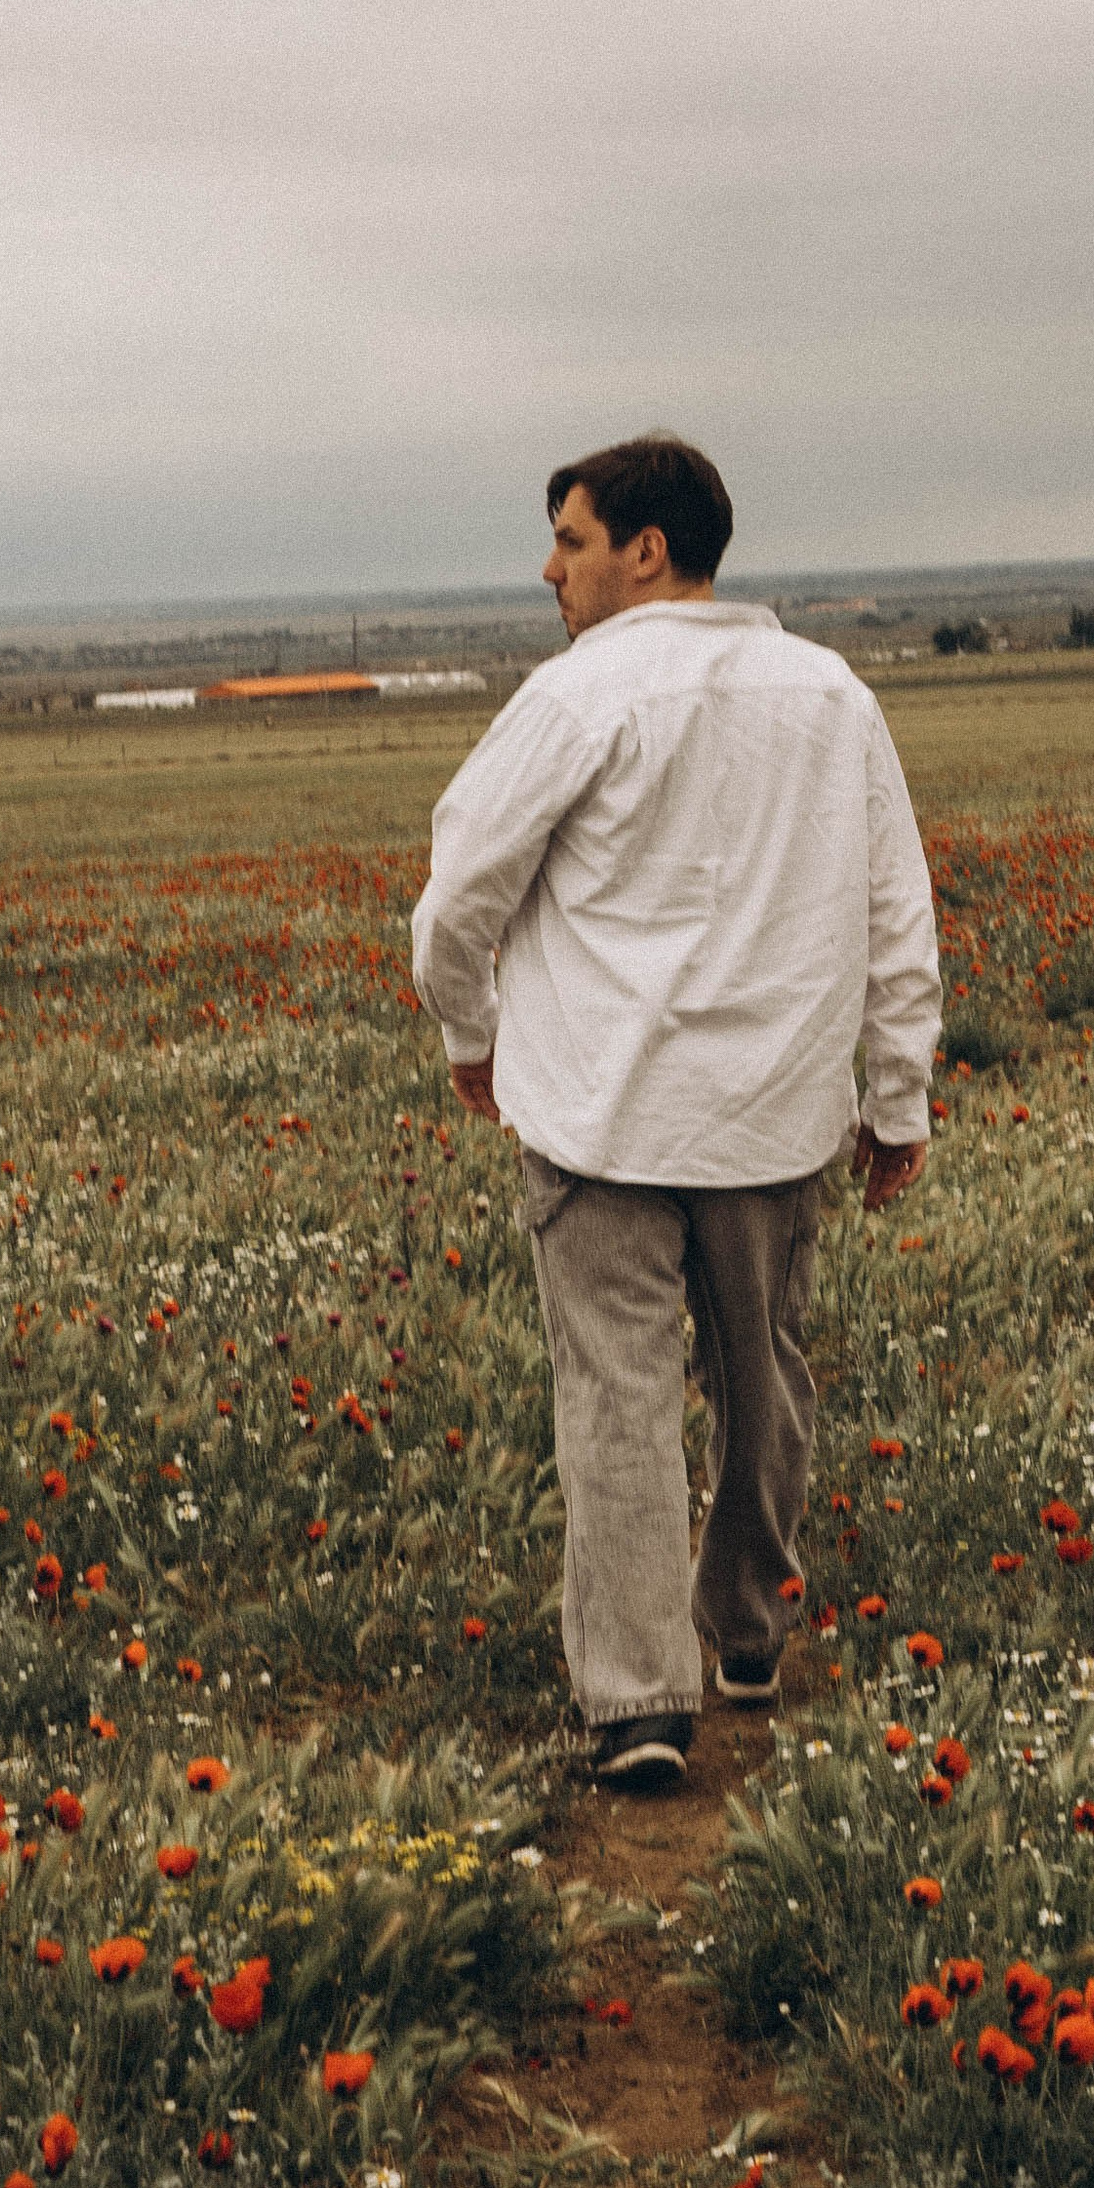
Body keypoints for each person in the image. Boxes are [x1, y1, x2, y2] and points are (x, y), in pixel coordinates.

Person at [409, 433, 942, 1790]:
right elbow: (897, 909)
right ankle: (746, 1630)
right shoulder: (831, 695)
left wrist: (474, 1035)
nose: (550, 570)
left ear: (646, 550)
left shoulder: (577, 698)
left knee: (618, 1397)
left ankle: (640, 1706)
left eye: (571, 542)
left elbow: (456, 891)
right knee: (762, 1376)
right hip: (772, 1110)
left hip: (596, 1111)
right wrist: (898, 1094)